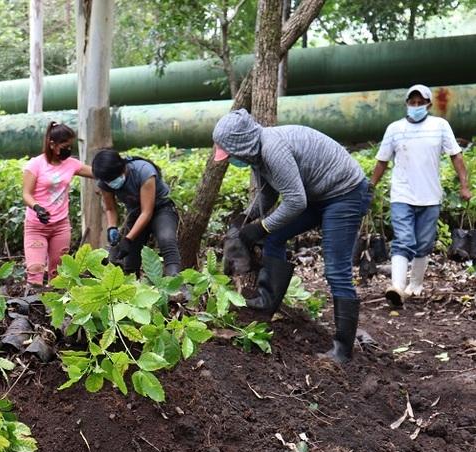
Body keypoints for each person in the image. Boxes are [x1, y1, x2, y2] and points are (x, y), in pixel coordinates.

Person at [212, 109, 371, 363]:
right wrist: (245, 218)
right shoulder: (257, 154)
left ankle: (343, 350)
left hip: (345, 194)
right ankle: (266, 302)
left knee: (336, 270)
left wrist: (259, 228)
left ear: (241, 144)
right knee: (274, 238)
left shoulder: (273, 149)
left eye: (230, 153)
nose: (231, 159)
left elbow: (295, 201)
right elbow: (268, 193)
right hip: (316, 195)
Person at [371, 84, 472, 307]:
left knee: (424, 243)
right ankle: (397, 287)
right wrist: (370, 187)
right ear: (406, 104)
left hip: (430, 196)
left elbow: (456, 156)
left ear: (428, 104)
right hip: (402, 195)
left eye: (420, 102)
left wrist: (464, 186)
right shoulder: (395, 129)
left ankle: (415, 285)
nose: (416, 106)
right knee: (403, 240)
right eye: (412, 102)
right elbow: (382, 161)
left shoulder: (440, 126)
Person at [22, 121, 93, 287]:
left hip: (61, 226)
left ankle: (54, 302)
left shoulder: (71, 164)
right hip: (37, 225)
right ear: (52, 144)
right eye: (65, 146)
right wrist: (37, 208)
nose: (69, 149)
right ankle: (33, 300)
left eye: (70, 146)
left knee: (58, 273)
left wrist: (117, 166)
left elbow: (96, 172)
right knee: (35, 269)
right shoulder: (35, 164)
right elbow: (26, 194)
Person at [91, 149, 182, 277]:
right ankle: (131, 281)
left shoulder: (144, 172)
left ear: (123, 169)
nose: (111, 184)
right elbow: (110, 208)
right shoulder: (104, 181)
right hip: (136, 212)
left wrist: (128, 239)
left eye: (113, 180)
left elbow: (147, 212)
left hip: (161, 208)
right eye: (108, 182)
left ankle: (174, 279)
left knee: (166, 239)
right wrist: (111, 227)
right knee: (130, 256)